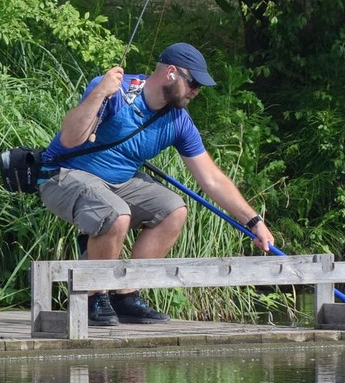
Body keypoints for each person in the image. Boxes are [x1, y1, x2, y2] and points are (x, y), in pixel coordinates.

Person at [38, 42, 275, 326]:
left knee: (174, 210)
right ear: (171, 73)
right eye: (194, 83)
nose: (196, 91)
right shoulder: (115, 91)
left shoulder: (178, 121)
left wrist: (254, 221)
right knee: (115, 213)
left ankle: (124, 294)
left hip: (119, 182)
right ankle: (93, 296)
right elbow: (70, 139)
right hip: (62, 175)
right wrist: (100, 92)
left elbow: (211, 178)